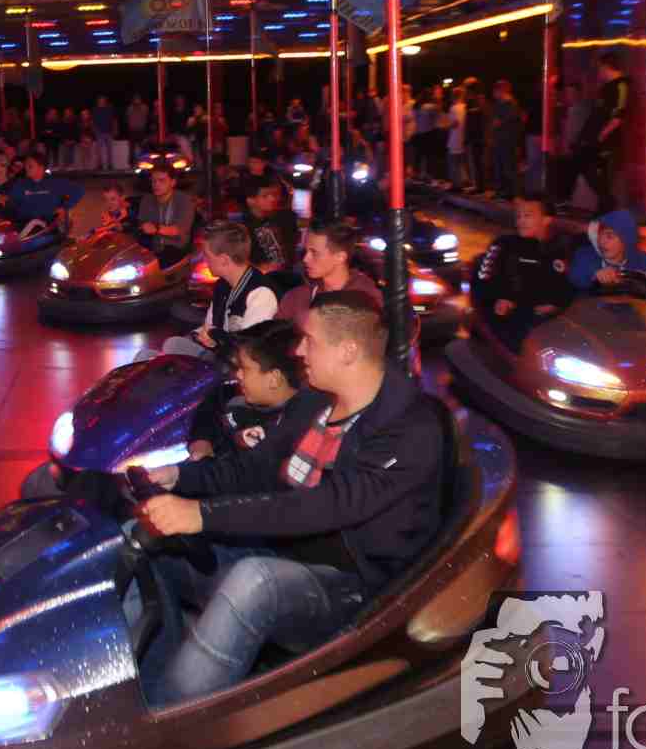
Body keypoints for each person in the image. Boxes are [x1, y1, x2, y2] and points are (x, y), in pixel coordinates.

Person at [129, 291, 448, 704]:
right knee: (145, 541)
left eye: (309, 341)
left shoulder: (409, 431)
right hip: (281, 550)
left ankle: (173, 717)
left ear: (348, 351)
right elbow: (252, 469)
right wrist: (179, 477)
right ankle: (151, 688)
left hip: (354, 587)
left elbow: (324, 506)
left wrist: (203, 515)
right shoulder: (315, 402)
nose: (298, 351)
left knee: (254, 581)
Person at [186, 319, 312, 460]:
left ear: (273, 379)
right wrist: (201, 441)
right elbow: (211, 407)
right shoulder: (235, 394)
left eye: (244, 369)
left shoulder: (284, 431)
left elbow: (240, 469)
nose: (238, 375)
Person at [472, 196, 578, 350]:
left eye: (527, 216)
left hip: (553, 322)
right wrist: (501, 298)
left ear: (546, 220)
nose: (521, 221)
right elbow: (482, 280)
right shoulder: (504, 245)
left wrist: (558, 306)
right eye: (519, 216)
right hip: (511, 320)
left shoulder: (563, 248)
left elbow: (570, 286)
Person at [163, 222, 278, 358]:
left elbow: (247, 352)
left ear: (224, 260)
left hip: (240, 363)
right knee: (172, 344)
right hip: (220, 355)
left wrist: (215, 338)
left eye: (206, 255)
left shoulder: (261, 294)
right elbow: (210, 326)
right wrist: (201, 335)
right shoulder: (222, 285)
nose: (204, 260)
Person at [276, 220, 382, 328]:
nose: (305, 259)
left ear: (340, 257)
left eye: (314, 252)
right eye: (305, 251)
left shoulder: (367, 301)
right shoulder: (296, 297)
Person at [579, 52, 630, 213]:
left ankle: (607, 205)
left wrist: (602, 134)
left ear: (607, 66)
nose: (599, 71)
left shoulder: (621, 86)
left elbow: (619, 116)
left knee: (602, 173)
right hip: (596, 139)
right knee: (589, 169)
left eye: (600, 68)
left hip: (608, 140)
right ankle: (605, 203)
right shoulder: (606, 87)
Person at [568, 209, 646, 296]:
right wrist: (594, 276)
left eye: (609, 236)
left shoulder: (644, 261)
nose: (601, 242)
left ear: (626, 240)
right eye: (599, 235)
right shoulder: (585, 256)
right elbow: (575, 277)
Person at [0, 152, 82, 238]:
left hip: (45, 225)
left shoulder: (55, 183)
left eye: (30, 166)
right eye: (26, 166)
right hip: (22, 223)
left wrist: (64, 207)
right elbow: (12, 200)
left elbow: (78, 190)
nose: (26, 168)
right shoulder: (21, 183)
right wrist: (4, 200)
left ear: (41, 168)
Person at [135, 166, 198, 263]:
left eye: (162, 181)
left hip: (177, 249)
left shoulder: (184, 200)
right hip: (151, 249)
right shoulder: (147, 199)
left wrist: (156, 228)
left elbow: (179, 229)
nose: (156, 184)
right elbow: (141, 224)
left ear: (173, 182)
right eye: (153, 181)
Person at [245, 178, 301, 275]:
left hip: (287, 273)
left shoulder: (284, 218)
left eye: (273, 195)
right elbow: (237, 259)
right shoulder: (243, 228)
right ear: (251, 201)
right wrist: (259, 268)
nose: (272, 199)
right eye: (265, 196)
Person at [488, 80, 525, 200]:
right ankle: (501, 191)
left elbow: (511, 122)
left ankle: (512, 193)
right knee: (499, 166)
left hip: (507, 140)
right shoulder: (500, 104)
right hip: (500, 140)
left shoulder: (511, 104)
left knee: (508, 167)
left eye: (495, 91)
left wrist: (498, 123)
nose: (494, 94)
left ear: (502, 90)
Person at [90, 94, 118, 171]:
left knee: (109, 150)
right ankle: (100, 165)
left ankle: (110, 165)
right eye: (100, 101)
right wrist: (94, 130)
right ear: (97, 101)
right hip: (99, 132)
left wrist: (115, 130)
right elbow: (92, 121)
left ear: (105, 101)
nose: (101, 102)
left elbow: (114, 120)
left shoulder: (109, 109)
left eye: (102, 100)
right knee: (99, 150)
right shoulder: (95, 110)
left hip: (109, 132)